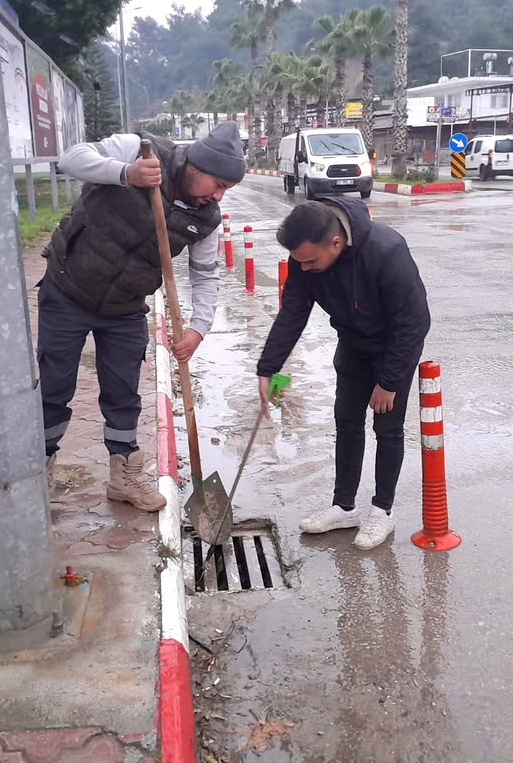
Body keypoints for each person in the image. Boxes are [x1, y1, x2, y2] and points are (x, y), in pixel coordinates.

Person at [42, 122, 246, 511]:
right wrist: (126, 174)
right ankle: (39, 466)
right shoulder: (141, 151)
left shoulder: (206, 219)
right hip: (68, 287)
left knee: (123, 392)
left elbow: (205, 275)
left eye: (225, 190)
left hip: (126, 306)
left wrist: (198, 328)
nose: (218, 196)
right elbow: (71, 158)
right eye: (217, 185)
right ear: (196, 168)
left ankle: (125, 475)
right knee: (54, 385)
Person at [256, 198, 430, 550]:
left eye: (310, 261)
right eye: (298, 261)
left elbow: (414, 323)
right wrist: (268, 367)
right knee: (347, 423)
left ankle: (382, 510)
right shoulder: (305, 259)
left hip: (392, 349)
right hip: (352, 346)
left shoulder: (386, 251)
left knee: (388, 428)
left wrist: (389, 382)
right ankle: (344, 506)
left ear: (335, 244)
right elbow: (293, 314)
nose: (303, 269)